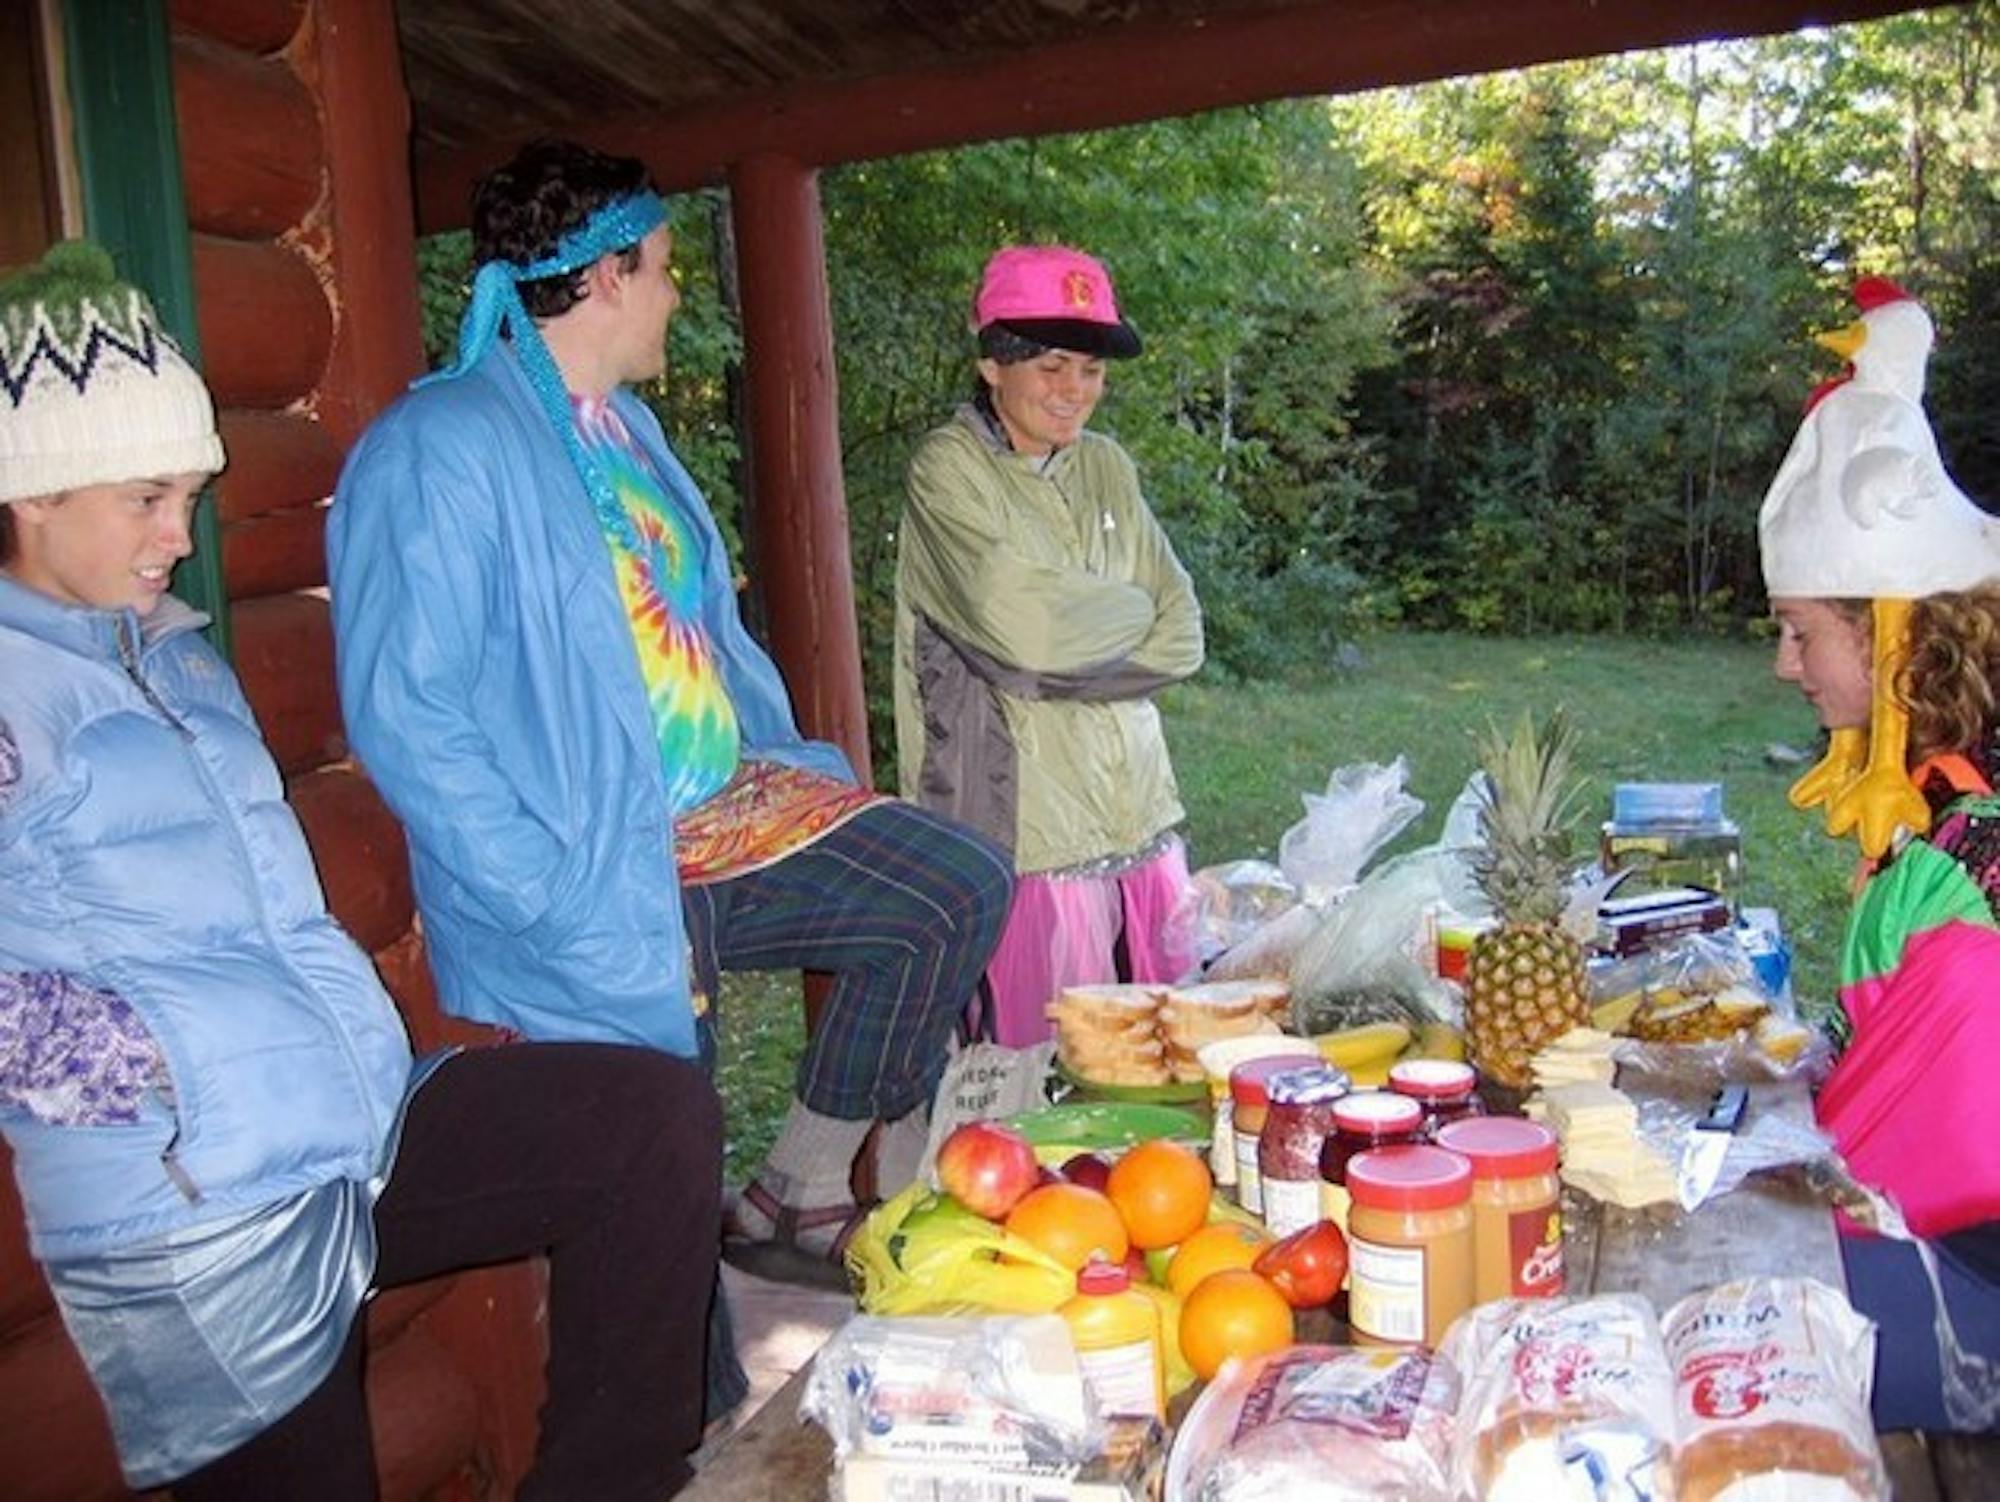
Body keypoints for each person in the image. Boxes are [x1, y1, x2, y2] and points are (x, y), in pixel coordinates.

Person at [0, 241, 723, 1499]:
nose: (182, 535)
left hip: (349, 1121)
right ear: (35, 494)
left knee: (647, 1120)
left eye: (192, 495)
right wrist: (154, 1072)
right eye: (147, 497)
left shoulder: (171, 659)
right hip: (200, 1198)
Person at [328, 140, 1012, 1291]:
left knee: (950, 885)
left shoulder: (624, 428)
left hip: (718, 807)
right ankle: (688, 1431)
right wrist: (544, 887)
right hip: (598, 857)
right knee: (659, 1193)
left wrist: (787, 759)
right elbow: (408, 711)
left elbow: (691, 627)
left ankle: (797, 1182)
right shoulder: (438, 444)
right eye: (660, 266)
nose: (676, 289)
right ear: (602, 277)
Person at [1758, 276, 1999, 1431]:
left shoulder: (1967, 864)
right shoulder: (1942, 793)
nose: (1783, 665)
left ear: (1889, 627)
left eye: (1799, 631)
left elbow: (1910, 1164)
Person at [894, 245, 1205, 1046]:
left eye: (1091, 371)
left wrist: (1060, 654)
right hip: (1021, 836)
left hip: (1142, 820)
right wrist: (1118, 619)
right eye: (1053, 366)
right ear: (994, 364)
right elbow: (1025, 630)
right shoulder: (947, 471)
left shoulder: (1107, 467)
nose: (1076, 392)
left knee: (1162, 1068)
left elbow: (1183, 633)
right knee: (1033, 1092)